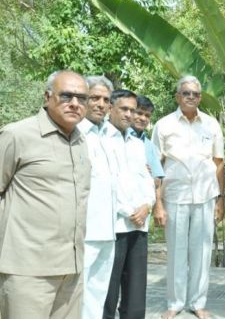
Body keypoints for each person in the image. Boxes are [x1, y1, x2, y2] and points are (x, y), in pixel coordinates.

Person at [0, 70, 91, 318]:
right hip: (27, 271)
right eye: (67, 96)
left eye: (82, 98)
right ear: (47, 96)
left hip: (71, 271)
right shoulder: (17, 135)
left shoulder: (80, 141)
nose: (75, 103)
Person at [152, 75, 225, 319]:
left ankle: (198, 302)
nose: (191, 97)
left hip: (205, 196)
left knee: (202, 252)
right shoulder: (163, 125)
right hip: (175, 196)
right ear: (177, 96)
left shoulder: (212, 125)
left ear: (200, 97)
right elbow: (156, 165)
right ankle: (174, 303)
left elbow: (219, 163)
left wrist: (221, 200)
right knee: (176, 252)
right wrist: (158, 203)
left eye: (195, 93)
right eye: (186, 93)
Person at [103, 89, 156, 319]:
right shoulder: (100, 140)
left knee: (136, 291)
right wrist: (129, 211)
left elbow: (148, 180)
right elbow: (108, 183)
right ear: (110, 108)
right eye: (124, 109)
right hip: (114, 226)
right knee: (108, 290)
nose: (129, 114)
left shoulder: (137, 144)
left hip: (139, 225)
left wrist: (147, 206)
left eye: (132, 110)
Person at [78, 75, 116, 319]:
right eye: (95, 98)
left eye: (106, 99)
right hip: (84, 230)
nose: (101, 104)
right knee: (77, 293)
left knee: (98, 292)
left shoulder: (110, 134)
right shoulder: (75, 133)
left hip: (108, 229)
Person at [130, 95, 166, 227]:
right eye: (139, 113)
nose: (143, 118)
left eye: (147, 115)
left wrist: (158, 206)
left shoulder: (148, 145)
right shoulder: (118, 137)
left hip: (144, 211)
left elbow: (156, 180)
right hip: (121, 212)